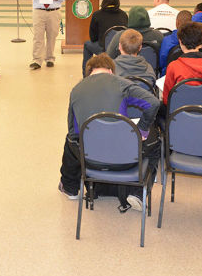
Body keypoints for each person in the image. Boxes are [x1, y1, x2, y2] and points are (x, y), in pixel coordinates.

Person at [59, 53, 160, 211]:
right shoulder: (121, 83)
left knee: (69, 141)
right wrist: (142, 129)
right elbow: (153, 103)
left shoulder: (76, 89)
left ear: (89, 71)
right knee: (155, 141)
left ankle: (70, 187)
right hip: (125, 158)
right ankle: (138, 192)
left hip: (91, 160)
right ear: (112, 71)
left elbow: (74, 133)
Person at [25, 0, 71, 69]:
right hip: (39, 12)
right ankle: (37, 60)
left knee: (52, 36)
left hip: (54, 12)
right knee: (38, 37)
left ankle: (50, 58)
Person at [163, 22, 202, 105]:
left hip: (178, 112)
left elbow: (167, 99)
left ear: (180, 41)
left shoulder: (173, 66)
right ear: (201, 43)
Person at [81, 0, 128, 76]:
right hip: (120, 49)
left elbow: (93, 37)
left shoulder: (97, 15)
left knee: (87, 44)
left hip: (103, 49)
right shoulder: (124, 15)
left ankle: (86, 75)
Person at [159, 10, 192, 74]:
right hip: (192, 75)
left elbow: (162, 63)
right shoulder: (198, 40)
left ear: (176, 23)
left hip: (169, 74)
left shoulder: (167, 40)